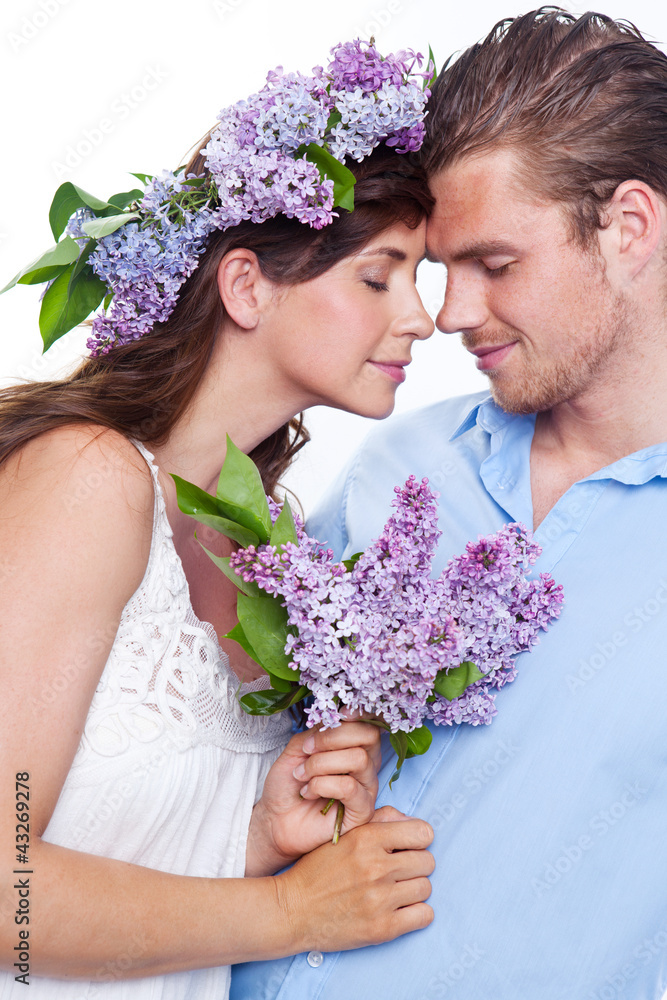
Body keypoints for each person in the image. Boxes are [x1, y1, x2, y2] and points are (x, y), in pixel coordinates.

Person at [232, 9, 667, 1000]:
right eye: (439, 269)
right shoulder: (401, 459)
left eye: (494, 265)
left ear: (628, 227)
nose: (452, 315)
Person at [0, 42, 437, 999]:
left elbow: (109, 847)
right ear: (245, 285)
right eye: (380, 275)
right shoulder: (88, 479)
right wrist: (292, 910)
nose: (423, 317)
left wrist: (254, 838)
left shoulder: (274, 540)